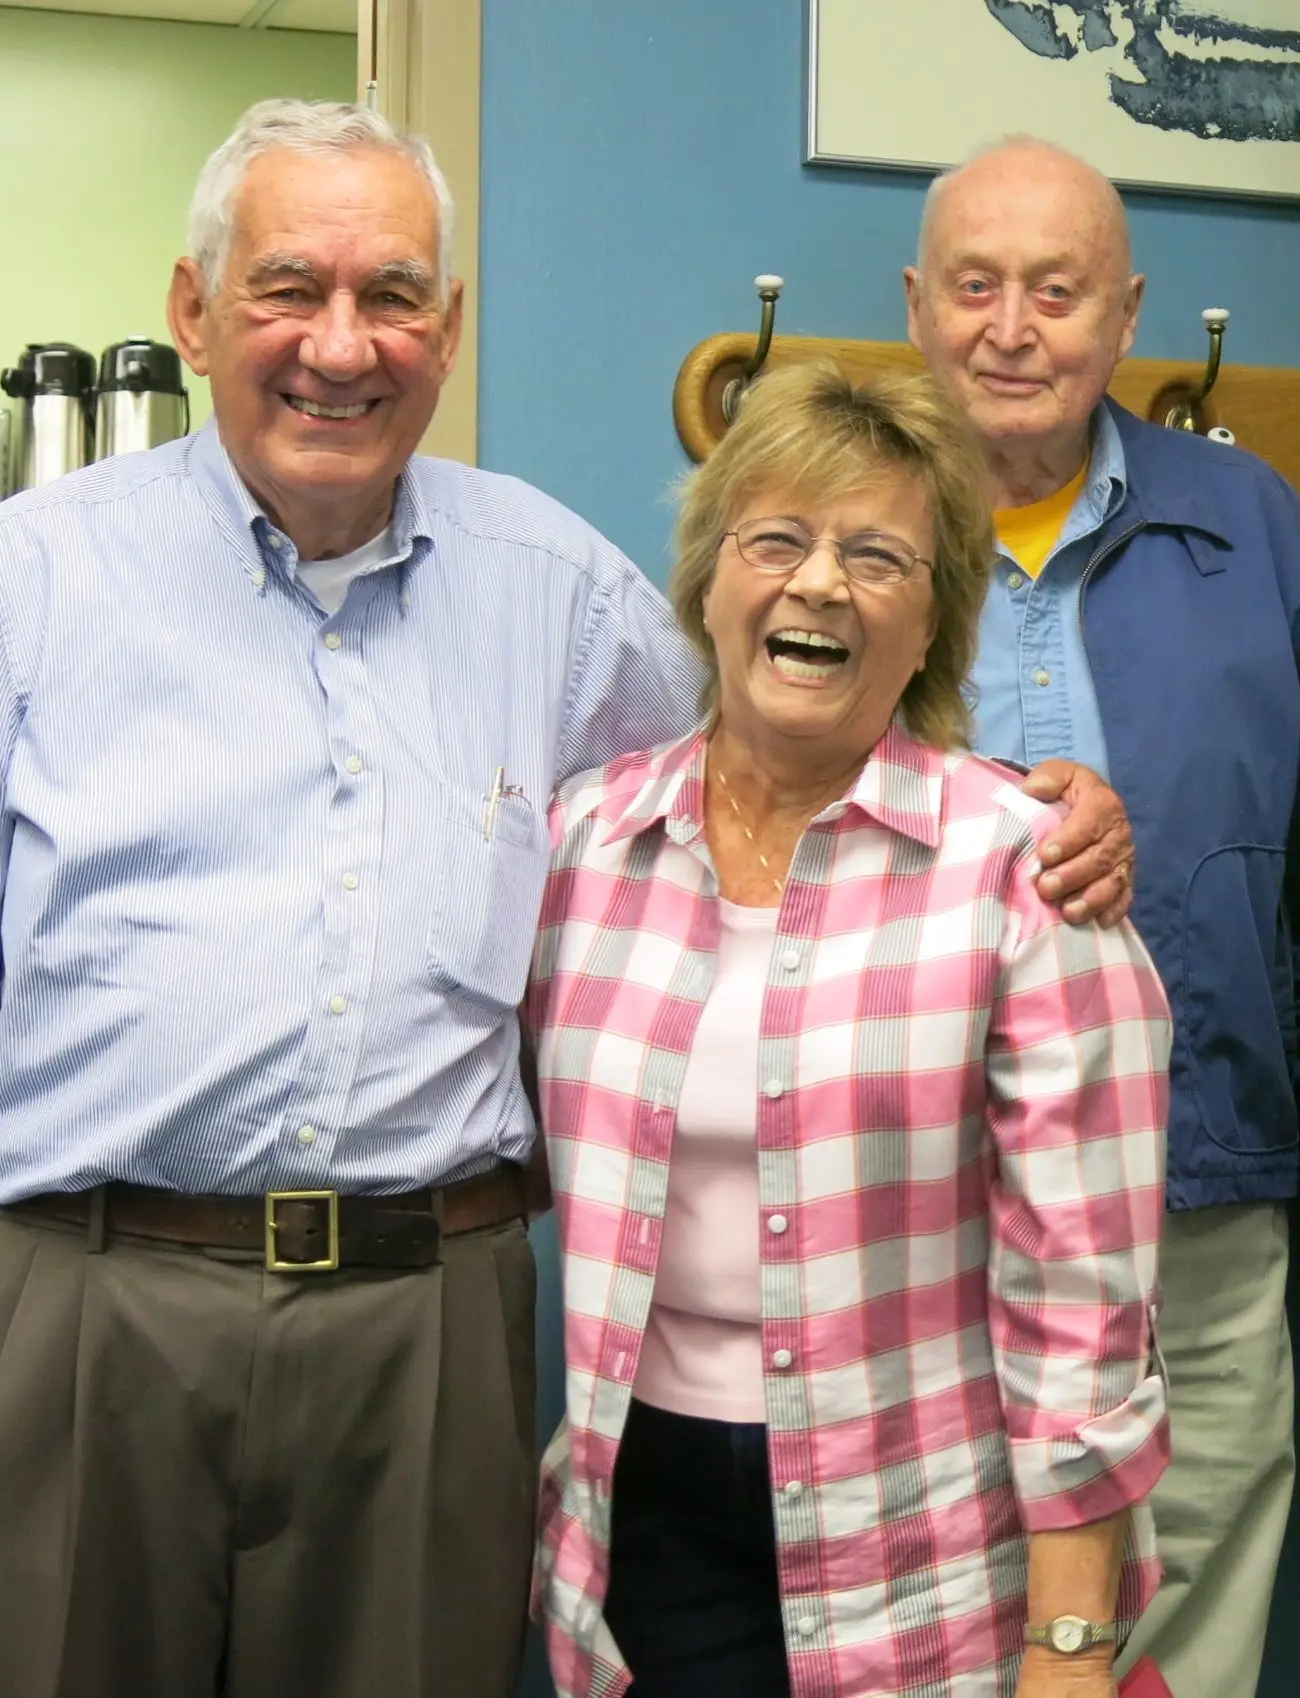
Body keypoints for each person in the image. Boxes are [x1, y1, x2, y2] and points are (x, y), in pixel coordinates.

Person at [0, 97, 1132, 1697]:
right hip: (87, 1300)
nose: (342, 343)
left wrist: (1037, 798)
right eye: (288, 289)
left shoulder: (558, 589)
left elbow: (786, 731)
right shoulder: (32, 582)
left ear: (447, 329)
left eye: (393, 295)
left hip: (424, 1331)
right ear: (193, 310)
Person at [527, 362, 1172, 1698]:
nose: (818, 582)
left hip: (925, 1556)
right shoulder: (585, 844)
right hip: (641, 1530)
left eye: (876, 556)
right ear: (708, 582)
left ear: (931, 619)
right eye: (776, 540)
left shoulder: (1024, 874)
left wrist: (1066, 1651)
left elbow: (1084, 1314)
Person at [903, 134, 1300, 1698]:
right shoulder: (839, 534)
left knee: (1190, 1613)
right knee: (944, 1614)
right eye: (975, 285)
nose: (1012, 327)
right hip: (912, 1213)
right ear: (916, 305)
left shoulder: (1254, 522)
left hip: (1200, 1212)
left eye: (1056, 290)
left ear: (1125, 314)